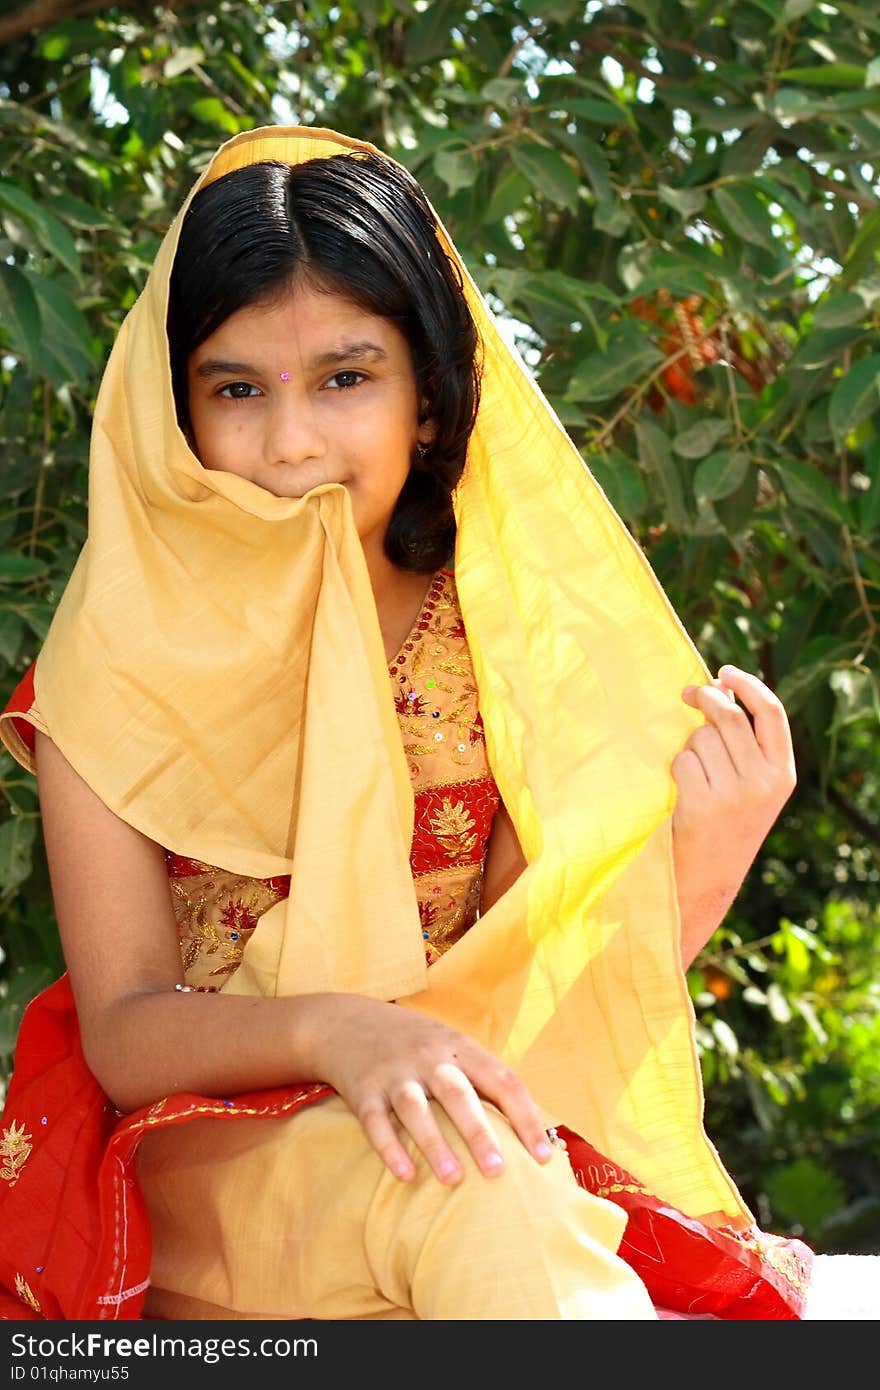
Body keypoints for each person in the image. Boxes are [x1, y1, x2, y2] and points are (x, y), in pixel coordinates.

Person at [0, 125, 813, 1322]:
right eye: (236, 388)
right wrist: (343, 1034)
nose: (290, 443)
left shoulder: (499, 644)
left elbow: (527, 1012)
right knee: (483, 1185)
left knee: (488, 1173)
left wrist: (712, 847)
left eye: (344, 377)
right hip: (201, 1166)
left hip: (442, 1137)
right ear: (174, 414)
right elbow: (123, 1030)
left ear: (429, 400)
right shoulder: (114, 657)